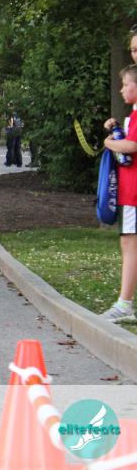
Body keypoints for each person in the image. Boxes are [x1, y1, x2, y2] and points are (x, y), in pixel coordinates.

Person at [100, 64, 137, 322]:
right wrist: (115, 130)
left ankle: (125, 304)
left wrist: (109, 143)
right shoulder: (132, 116)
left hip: (132, 191)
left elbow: (132, 145)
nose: (122, 90)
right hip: (129, 189)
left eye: (126, 85)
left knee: (129, 242)